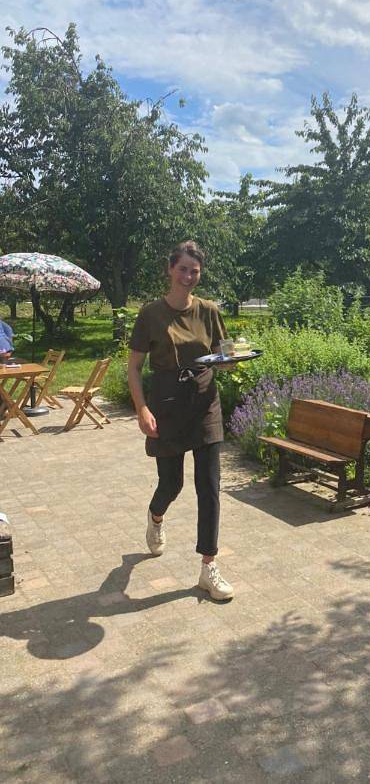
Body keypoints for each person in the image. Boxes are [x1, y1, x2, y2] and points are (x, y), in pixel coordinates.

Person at [127, 241, 234, 601]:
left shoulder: (209, 311)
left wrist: (232, 359)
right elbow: (135, 368)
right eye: (183, 269)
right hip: (166, 406)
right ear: (170, 269)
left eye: (195, 271)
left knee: (210, 487)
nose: (189, 276)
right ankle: (156, 517)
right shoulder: (150, 314)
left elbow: (225, 352)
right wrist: (142, 409)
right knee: (171, 485)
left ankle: (208, 567)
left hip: (205, 404)